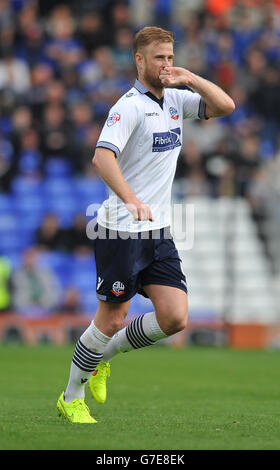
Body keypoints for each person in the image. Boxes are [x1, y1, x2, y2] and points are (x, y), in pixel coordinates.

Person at [57, 26, 235, 423]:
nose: (167, 64)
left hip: (158, 231)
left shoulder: (175, 98)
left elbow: (225, 106)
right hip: (120, 229)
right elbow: (102, 158)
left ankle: (104, 359)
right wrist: (132, 200)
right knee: (112, 318)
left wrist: (190, 77)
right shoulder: (128, 106)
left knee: (175, 317)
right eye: (160, 58)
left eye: (171, 57)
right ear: (139, 60)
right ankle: (71, 396)